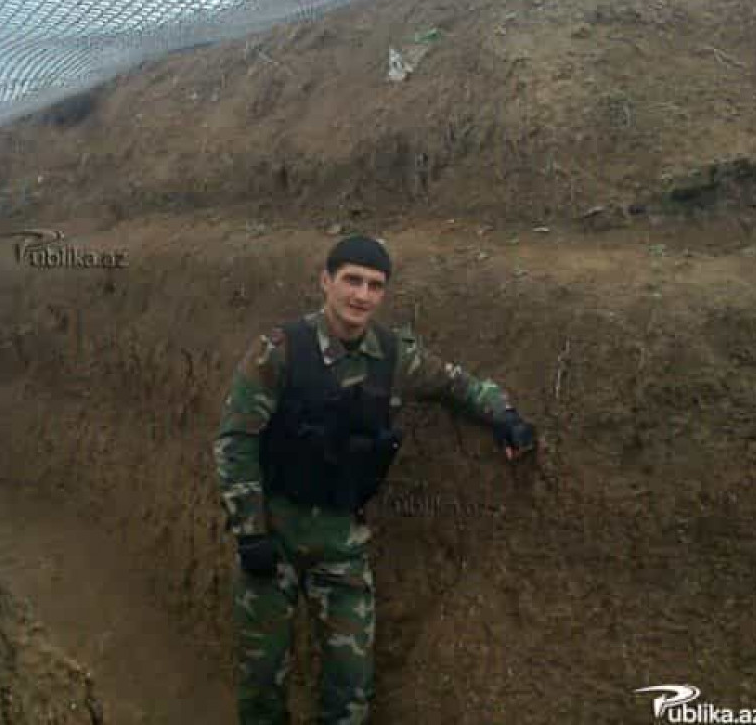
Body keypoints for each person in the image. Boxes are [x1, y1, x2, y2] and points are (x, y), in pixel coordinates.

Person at [212, 235, 536, 725]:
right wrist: (249, 531)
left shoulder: (393, 356)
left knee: (351, 687)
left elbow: (456, 384)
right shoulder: (279, 352)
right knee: (261, 681)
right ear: (326, 281)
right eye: (352, 280)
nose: (362, 295)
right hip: (273, 534)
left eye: (375, 285)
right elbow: (236, 440)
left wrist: (505, 418)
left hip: (341, 543)